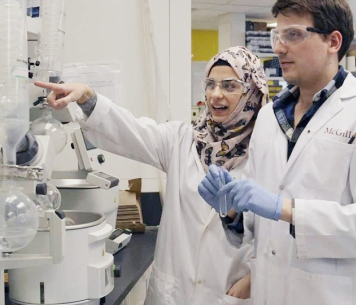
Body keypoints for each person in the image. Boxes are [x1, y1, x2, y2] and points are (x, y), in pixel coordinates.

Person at [199, 0, 356, 305]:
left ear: (333, 42)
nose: (280, 48)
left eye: (294, 34)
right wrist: (232, 211)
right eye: (277, 36)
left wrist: (286, 209)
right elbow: (259, 229)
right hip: (271, 291)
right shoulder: (270, 116)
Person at [34, 46, 269, 304]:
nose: (216, 94)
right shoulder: (182, 140)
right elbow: (131, 131)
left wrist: (256, 276)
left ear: (252, 92)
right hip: (174, 292)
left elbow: (278, 233)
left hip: (229, 288)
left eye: (229, 86)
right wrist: (87, 97)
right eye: (210, 84)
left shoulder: (267, 154)